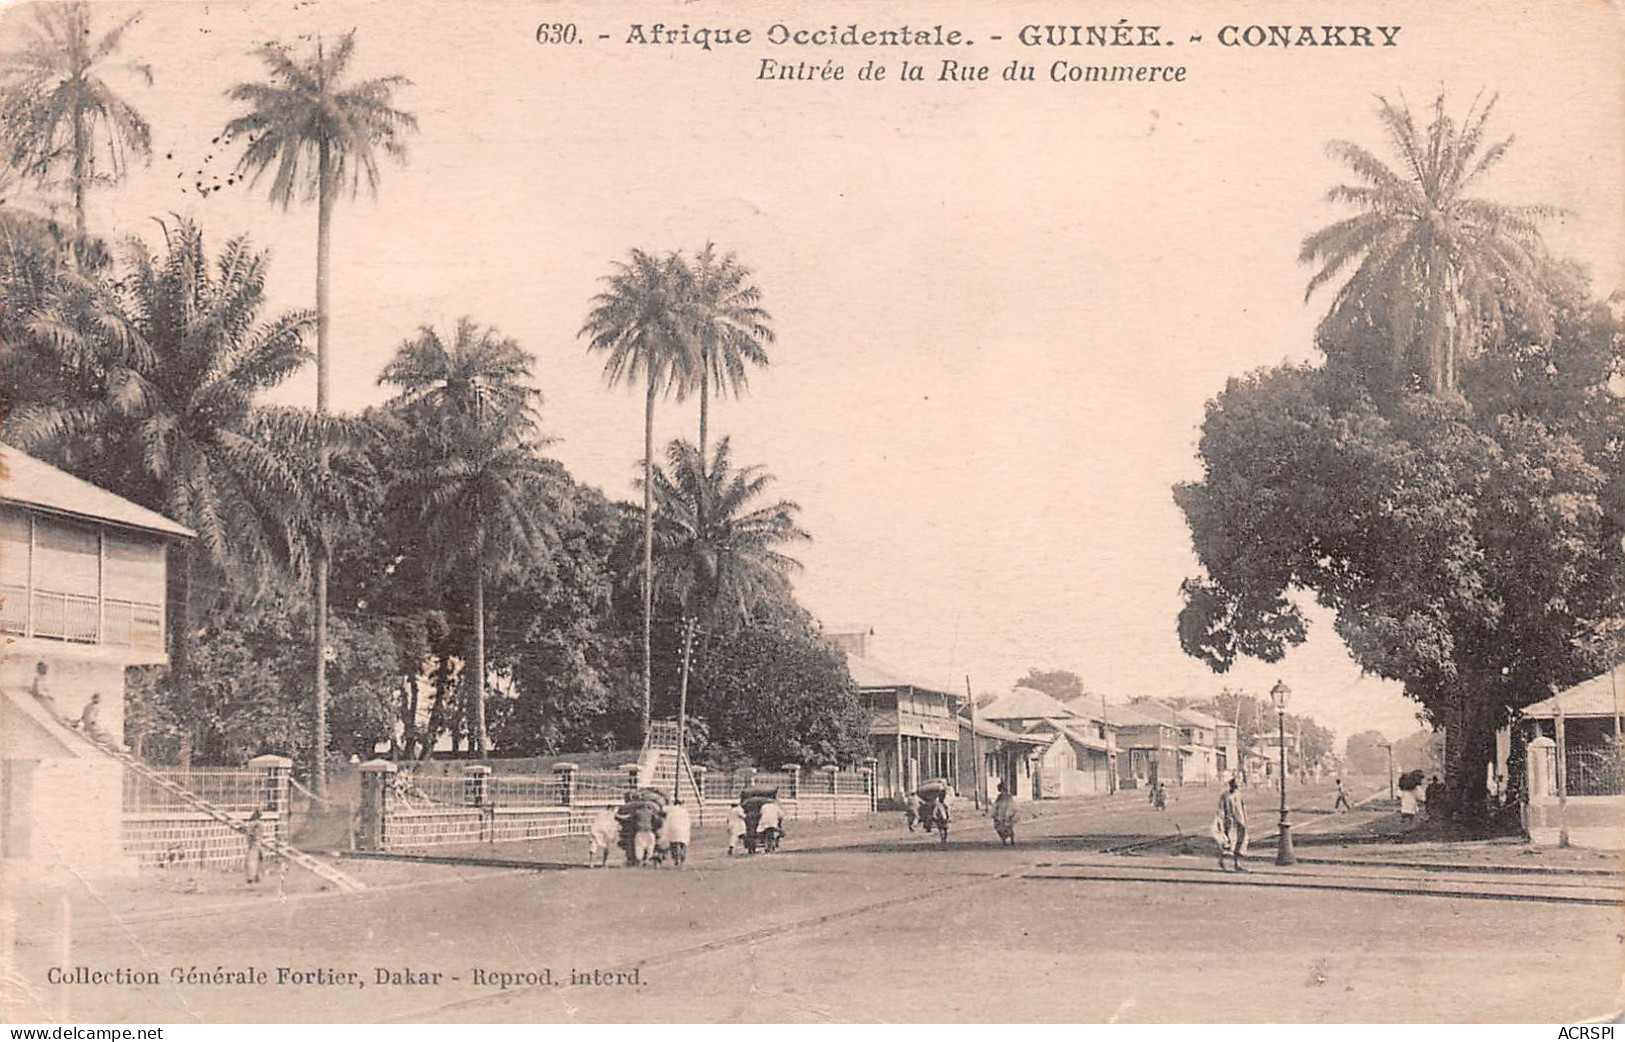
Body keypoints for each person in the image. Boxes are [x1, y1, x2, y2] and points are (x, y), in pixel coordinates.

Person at [1218, 776, 1247, 872]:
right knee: (1229, 843)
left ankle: (1236, 863)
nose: (1236, 786)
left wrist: (1245, 820)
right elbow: (1221, 809)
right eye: (1235, 784)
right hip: (1230, 821)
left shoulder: (1239, 795)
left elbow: (1243, 807)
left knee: (1240, 842)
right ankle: (1222, 861)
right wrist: (1222, 821)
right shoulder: (1225, 796)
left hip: (1240, 821)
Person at [661, 800, 692, 868]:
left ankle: (677, 858)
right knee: (682, 844)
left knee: (675, 844)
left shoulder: (671, 811)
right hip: (683, 830)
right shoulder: (685, 812)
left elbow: (667, 822)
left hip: (674, 830)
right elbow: (688, 822)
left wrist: (665, 833)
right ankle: (682, 857)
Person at [244, 810, 265, 885]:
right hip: (258, 843)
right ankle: (257, 876)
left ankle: (251, 878)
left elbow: (251, 834)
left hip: (254, 844)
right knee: (259, 860)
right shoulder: (259, 824)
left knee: (251, 860)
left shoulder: (255, 824)